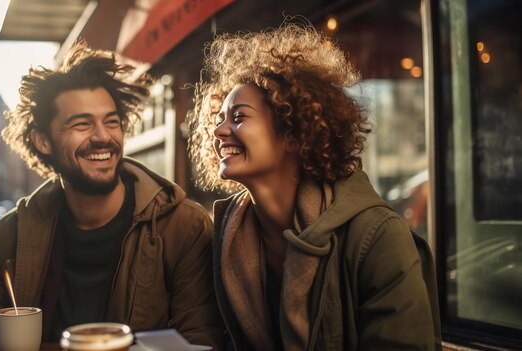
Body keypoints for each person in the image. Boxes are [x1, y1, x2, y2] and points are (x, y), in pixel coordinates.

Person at [188, 23, 441, 350]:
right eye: (219, 118)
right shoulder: (223, 237)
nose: (219, 131)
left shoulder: (376, 236)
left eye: (238, 117)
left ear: (294, 134)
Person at [0, 41, 224, 350]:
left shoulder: (183, 227)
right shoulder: (12, 233)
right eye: (82, 124)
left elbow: (201, 340)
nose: (103, 137)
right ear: (42, 141)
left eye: (111, 122)